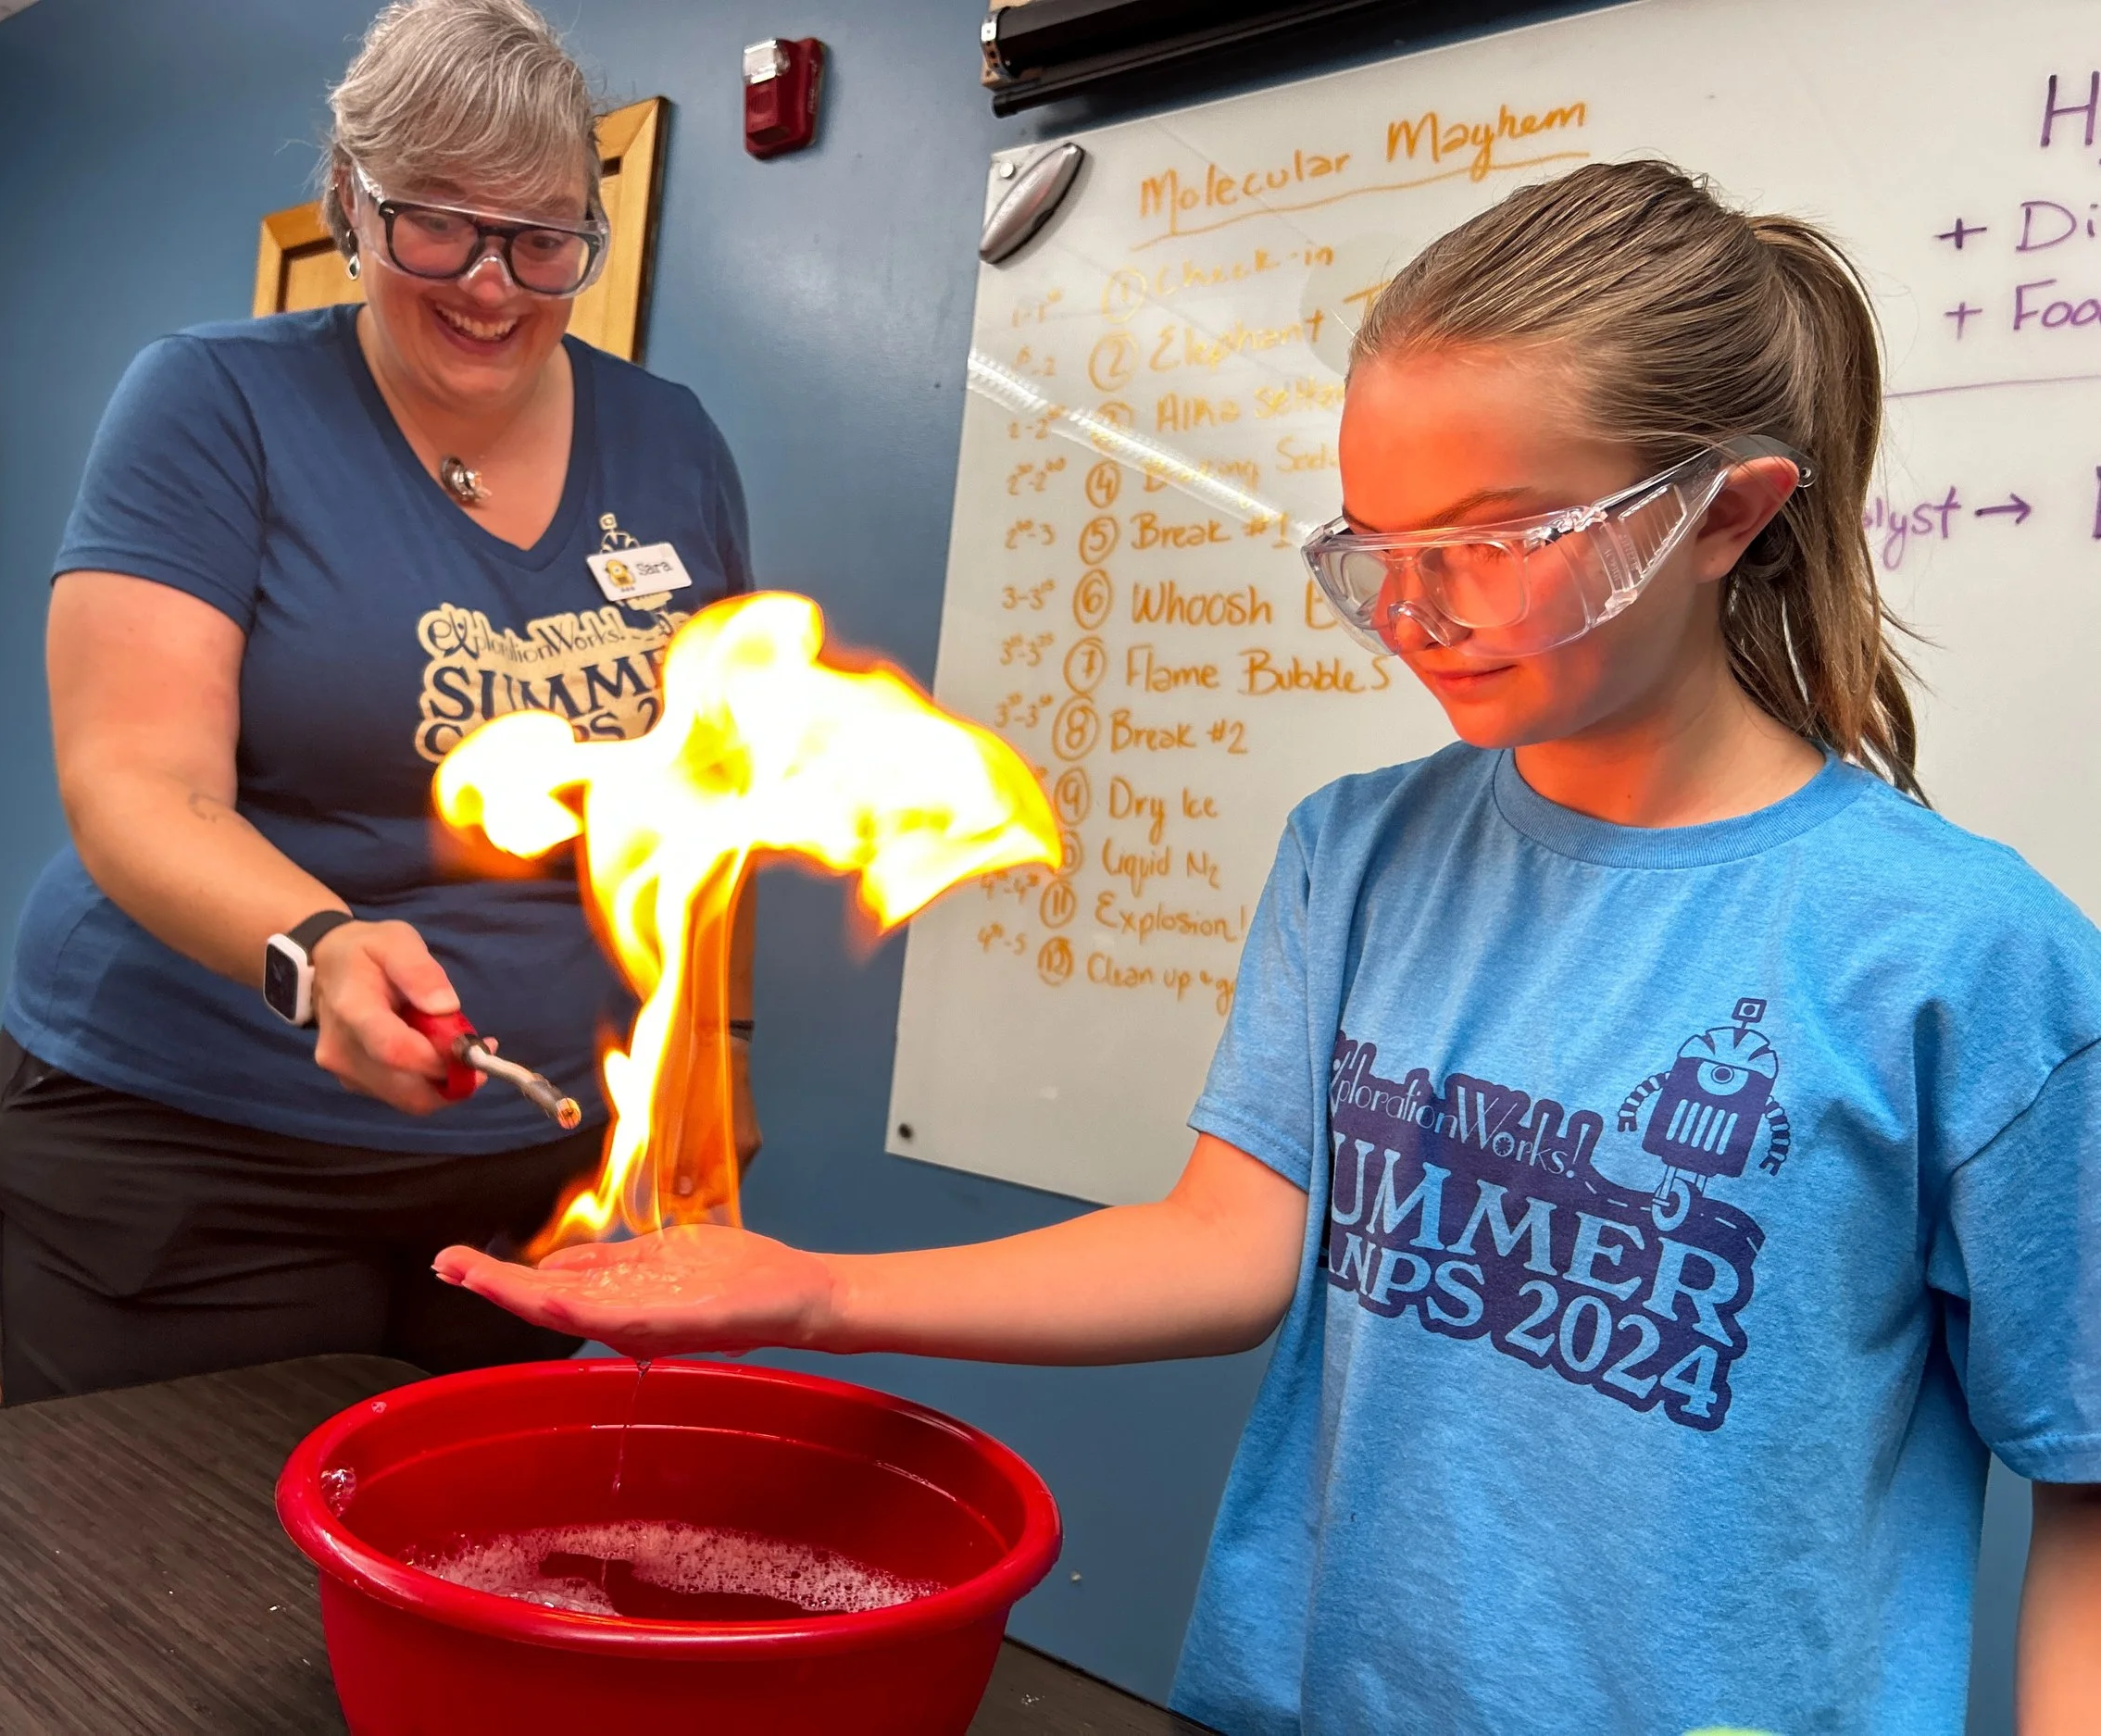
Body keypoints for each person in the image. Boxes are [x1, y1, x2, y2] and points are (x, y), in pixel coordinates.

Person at [435, 161, 2101, 1734]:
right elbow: (1232, 1247)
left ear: (1726, 515)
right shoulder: (1356, 854)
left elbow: (2086, 1469)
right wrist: (804, 1290)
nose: (1413, 608)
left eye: (1493, 537)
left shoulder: (1966, 956)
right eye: (1374, 545)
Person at [0, 0, 758, 1403]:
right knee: (186, 1598)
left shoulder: (673, 443)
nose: (493, 285)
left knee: (466, 1576)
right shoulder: (214, 403)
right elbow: (136, 784)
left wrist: (718, 1052)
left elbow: (715, 797)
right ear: (349, 201)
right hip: (192, 1149)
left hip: (525, 1176)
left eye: (544, 240)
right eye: (436, 225)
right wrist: (320, 947)